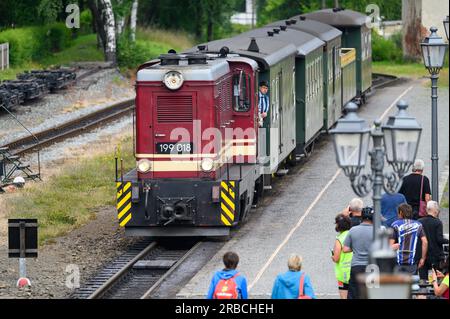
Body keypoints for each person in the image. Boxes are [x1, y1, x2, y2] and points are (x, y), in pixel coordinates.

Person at [343, 207, 374, 299]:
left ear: (362, 217)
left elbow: (345, 249)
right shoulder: (378, 231)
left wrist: (356, 248)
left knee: (354, 294)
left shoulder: (353, 230)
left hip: (356, 266)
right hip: (372, 266)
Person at [390, 203, 428, 275]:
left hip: (398, 262)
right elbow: (425, 242)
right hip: (412, 261)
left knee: (398, 284)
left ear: (401, 212)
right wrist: (423, 258)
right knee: (411, 284)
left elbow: (390, 245)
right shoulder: (418, 225)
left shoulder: (395, 224)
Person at [418, 201, 449, 281]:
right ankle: (436, 293)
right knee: (437, 279)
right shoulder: (437, 222)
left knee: (423, 280)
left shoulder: (419, 222)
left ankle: (423, 293)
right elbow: (439, 239)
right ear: (435, 210)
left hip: (423, 255)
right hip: (436, 256)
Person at [331, 214, 353, 299]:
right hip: (354, 269)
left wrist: (332, 256)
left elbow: (336, 258)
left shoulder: (339, 239)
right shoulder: (352, 234)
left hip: (343, 273)